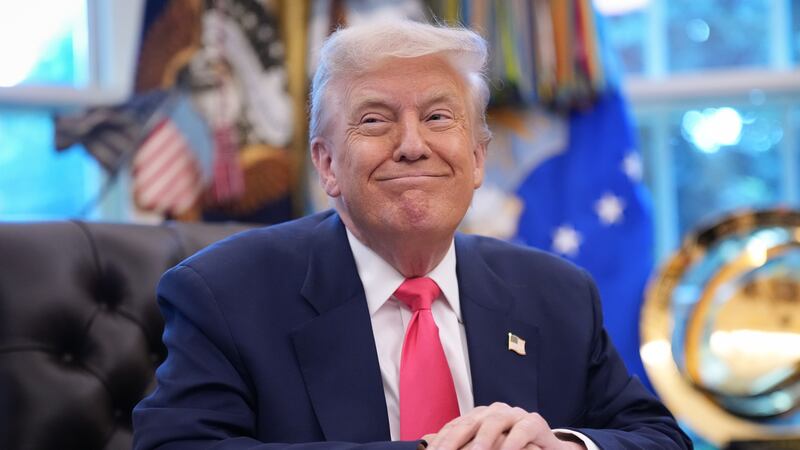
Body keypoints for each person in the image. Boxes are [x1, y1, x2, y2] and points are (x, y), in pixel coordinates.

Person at [133, 20, 692, 450]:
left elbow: (660, 437)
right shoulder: (224, 294)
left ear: (477, 159)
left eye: (439, 118)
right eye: (375, 120)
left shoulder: (556, 293)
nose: (412, 144)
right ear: (326, 165)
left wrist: (562, 444)